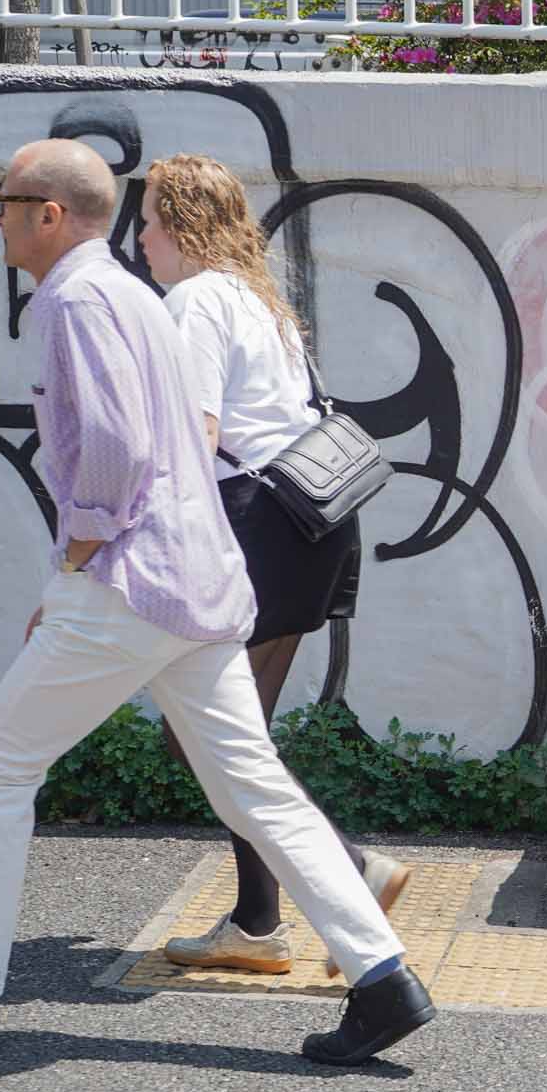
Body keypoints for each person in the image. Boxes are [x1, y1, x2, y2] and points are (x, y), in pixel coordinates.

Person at [0, 138, 436, 1065]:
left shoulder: (77, 299)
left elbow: (116, 455)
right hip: (202, 580)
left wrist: (70, 568)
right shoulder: (132, 294)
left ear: (48, 214)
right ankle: (383, 979)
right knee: (254, 783)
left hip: (132, 582)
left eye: (4, 203)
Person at [136, 151, 408, 977]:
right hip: (311, 527)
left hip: (253, 532)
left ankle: (352, 873)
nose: (139, 239)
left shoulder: (194, 301)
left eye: (147, 220)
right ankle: (257, 924)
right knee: (231, 732)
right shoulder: (261, 303)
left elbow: (196, 435)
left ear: (181, 223)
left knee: (209, 735)